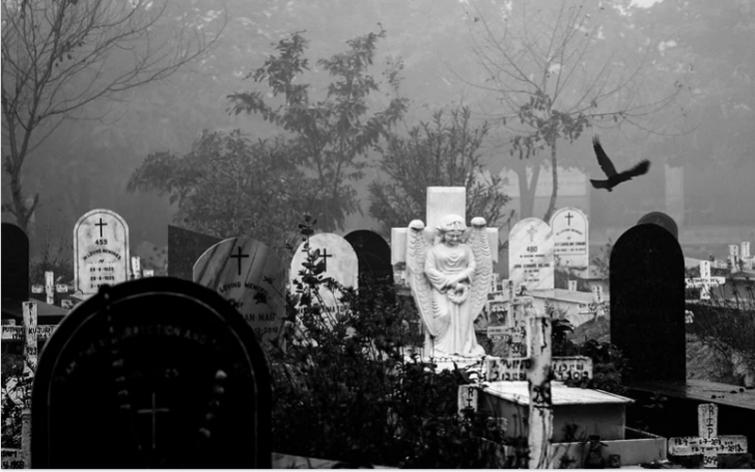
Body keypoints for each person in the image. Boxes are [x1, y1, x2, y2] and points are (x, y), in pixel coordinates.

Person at [423, 214, 485, 357]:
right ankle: (441, 349)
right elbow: (429, 270)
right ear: (443, 234)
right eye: (451, 235)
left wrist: (457, 279)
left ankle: (462, 348)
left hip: (462, 288)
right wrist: (448, 282)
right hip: (441, 288)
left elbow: (472, 267)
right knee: (443, 315)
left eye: (458, 235)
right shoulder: (435, 251)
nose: (455, 238)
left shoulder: (466, 249)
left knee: (463, 321)